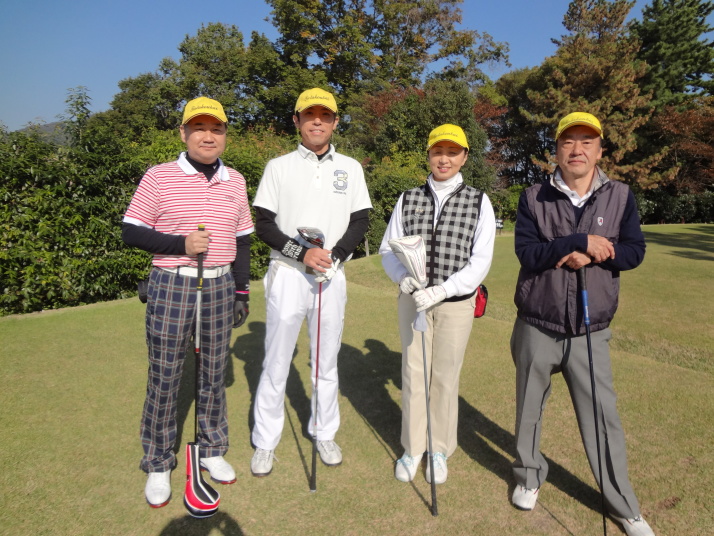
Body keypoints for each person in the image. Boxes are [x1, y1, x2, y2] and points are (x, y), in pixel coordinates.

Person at [510, 112, 654, 536]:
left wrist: (594, 253)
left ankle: (623, 504)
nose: (577, 149)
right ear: (556, 150)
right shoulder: (533, 196)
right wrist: (576, 242)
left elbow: (634, 251)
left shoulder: (620, 195)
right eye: (568, 141)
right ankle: (529, 476)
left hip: (591, 327)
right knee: (529, 409)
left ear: (600, 150)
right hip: (537, 321)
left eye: (587, 141)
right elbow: (527, 254)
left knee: (602, 416)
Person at [122, 97, 254, 508]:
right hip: (171, 284)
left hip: (220, 286)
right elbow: (131, 230)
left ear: (225, 136)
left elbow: (243, 239)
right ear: (183, 133)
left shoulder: (235, 180)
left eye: (216, 129)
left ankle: (212, 448)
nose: (208, 136)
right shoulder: (159, 176)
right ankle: (158, 460)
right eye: (199, 128)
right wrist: (181, 244)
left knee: (213, 372)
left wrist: (242, 290)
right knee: (165, 375)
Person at [249, 88, 372, 476]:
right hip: (287, 274)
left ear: (335, 122)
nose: (317, 121)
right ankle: (266, 441)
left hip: (330, 276)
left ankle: (324, 432)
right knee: (276, 361)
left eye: (325, 115)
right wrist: (302, 254)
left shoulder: (350, 167)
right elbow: (263, 224)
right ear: (297, 120)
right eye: (309, 114)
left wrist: (334, 256)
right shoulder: (278, 166)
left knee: (325, 361)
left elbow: (360, 221)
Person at [379, 124, 495, 485]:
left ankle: (439, 448)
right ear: (428, 155)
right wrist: (403, 278)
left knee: (445, 376)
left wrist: (444, 290)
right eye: (437, 151)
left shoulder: (478, 200)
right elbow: (388, 249)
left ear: (464, 157)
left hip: (455, 304)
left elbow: (480, 260)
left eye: (452, 152)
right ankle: (413, 448)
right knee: (414, 374)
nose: (444, 159)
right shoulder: (408, 198)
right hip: (413, 301)